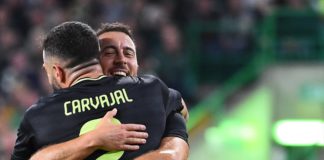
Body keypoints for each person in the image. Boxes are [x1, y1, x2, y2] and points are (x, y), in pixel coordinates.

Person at [11, 21, 188, 160]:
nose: (121, 60)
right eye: (110, 53)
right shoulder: (154, 91)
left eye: (128, 53)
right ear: (96, 58)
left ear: (57, 71)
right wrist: (94, 139)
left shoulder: (38, 117)